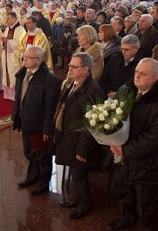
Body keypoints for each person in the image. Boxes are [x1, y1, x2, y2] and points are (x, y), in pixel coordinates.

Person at [109, 58, 158, 230]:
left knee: (146, 200)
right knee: (124, 190)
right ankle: (126, 217)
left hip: (148, 162)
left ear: (155, 77)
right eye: (136, 73)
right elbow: (113, 116)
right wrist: (110, 137)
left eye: (143, 74)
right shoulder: (126, 91)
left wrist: (125, 149)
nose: (137, 77)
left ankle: (147, 226)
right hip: (123, 156)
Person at [54, 52, 105, 219]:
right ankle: (76, 198)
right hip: (68, 136)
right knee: (74, 171)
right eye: (70, 66)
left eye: (74, 67)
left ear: (86, 70)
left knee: (79, 173)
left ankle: (85, 204)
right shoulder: (72, 82)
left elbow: (92, 124)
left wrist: (82, 150)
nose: (69, 69)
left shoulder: (93, 90)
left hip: (78, 141)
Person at [12, 45, 60, 196]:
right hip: (25, 120)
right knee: (29, 153)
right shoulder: (23, 73)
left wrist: (47, 129)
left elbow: (50, 108)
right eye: (24, 57)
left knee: (42, 155)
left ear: (39, 60)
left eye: (28, 57)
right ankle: (32, 177)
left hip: (38, 124)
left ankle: (43, 183)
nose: (24, 60)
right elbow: (19, 97)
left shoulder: (49, 79)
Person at [100, 34, 142, 98]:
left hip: (128, 99)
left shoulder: (141, 64)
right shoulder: (114, 59)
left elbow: (138, 86)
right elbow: (104, 78)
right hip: (109, 96)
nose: (123, 52)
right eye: (122, 48)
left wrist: (118, 95)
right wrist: (108, 91)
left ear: (136, 49)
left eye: (127, 49)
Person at [1, 12, 26, 100]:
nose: (6, 20)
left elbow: (20, 43)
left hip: (14, 56)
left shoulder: (20, 29)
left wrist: (7, 41)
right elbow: (3, 40)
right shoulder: (7, 29)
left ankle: (16, 94)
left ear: (14, 19)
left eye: (8, 18)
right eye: (6, 18)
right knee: (7, 72)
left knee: (14, 72)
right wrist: (3, 41)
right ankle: (9, 94)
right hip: (7, 55)